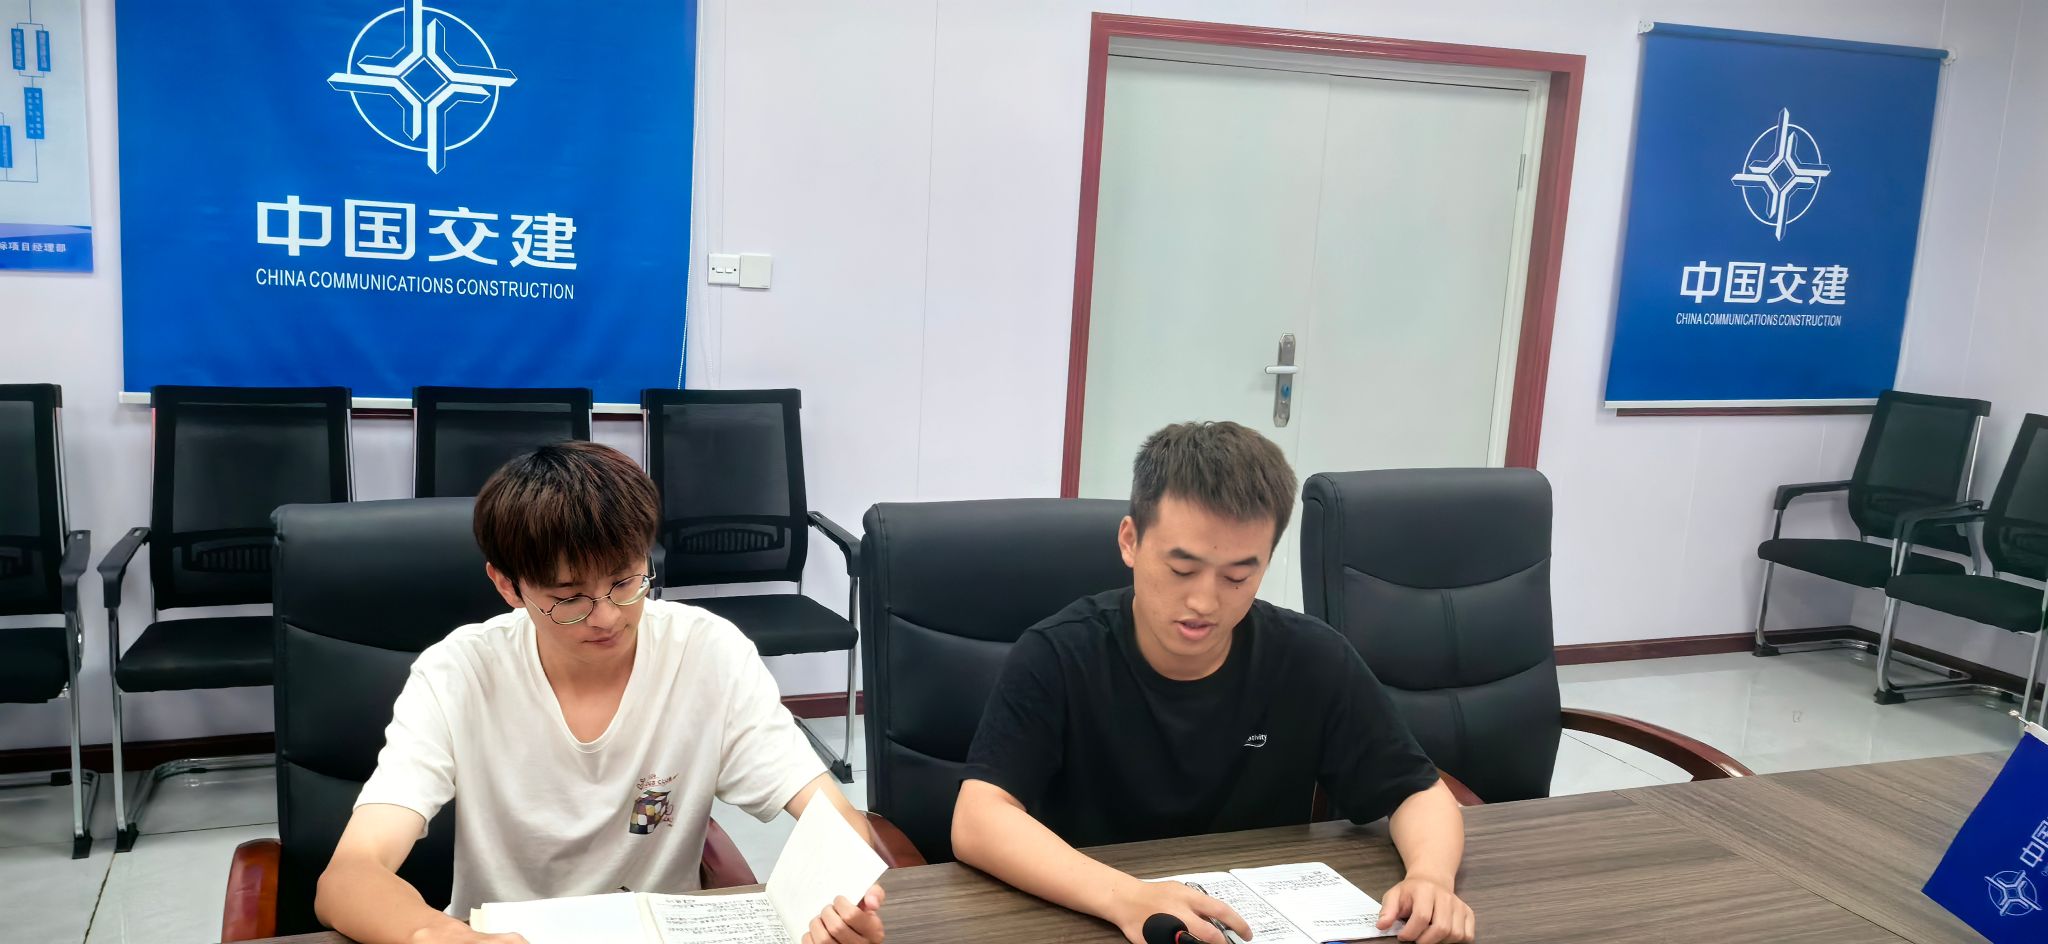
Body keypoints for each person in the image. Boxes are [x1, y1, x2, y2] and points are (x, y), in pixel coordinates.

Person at [316, 442, 886, 944]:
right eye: (569, 597)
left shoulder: (706, 653)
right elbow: (349, 875)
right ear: (507, 585)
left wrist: (840, 903)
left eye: (625, 580)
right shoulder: (458, 673)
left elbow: (830, 816)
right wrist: (435, 935)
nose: (607, 616)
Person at [951, 422, 1475, 944]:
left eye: (1237, 577)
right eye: (1182, 569)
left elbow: (1419, 792)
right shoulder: (1058, 654)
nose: (1204, 602)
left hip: (1259, 926)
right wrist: (1125, 896)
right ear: (1130, 541)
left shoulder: (1312, 658)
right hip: (1094, 919)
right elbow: (978, 818)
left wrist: (1430, 878)